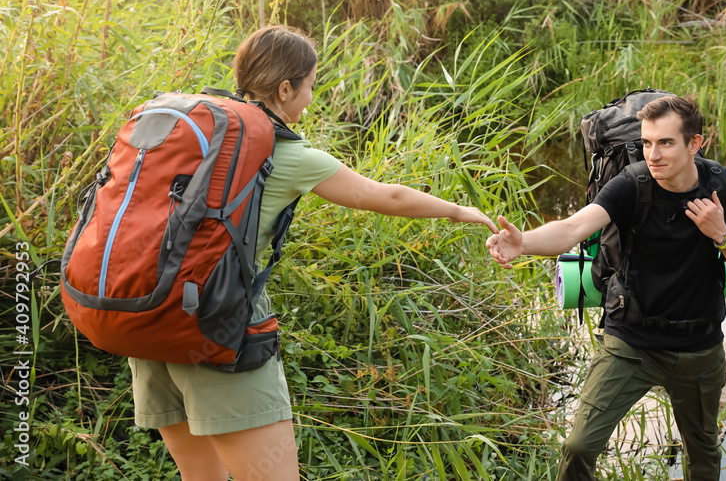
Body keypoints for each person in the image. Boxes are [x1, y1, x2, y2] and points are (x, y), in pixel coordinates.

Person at [128, 25, 498, 481]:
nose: (309, 100)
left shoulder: (199, 132)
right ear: (285, 88)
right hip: (215, 330)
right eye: (309, 88)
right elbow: (387, 197)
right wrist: (459, 210)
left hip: (148, 321)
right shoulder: (281, 152)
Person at [486, 94, 726, 481]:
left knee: (702, 449)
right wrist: (524, 244)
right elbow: (572, 228)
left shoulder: (722, 186)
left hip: (698, 346)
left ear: (694, 144)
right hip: (631, 341)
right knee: (578, 446)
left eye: (666, 143)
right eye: (647, 142)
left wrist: (721, 235)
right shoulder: (632, 184)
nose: (653, 154)